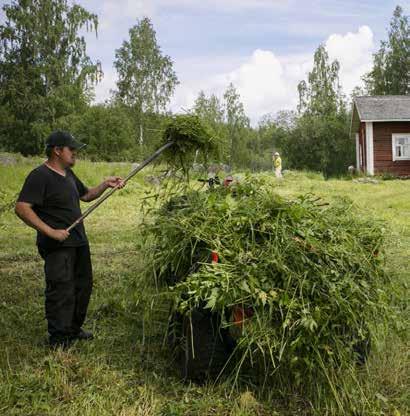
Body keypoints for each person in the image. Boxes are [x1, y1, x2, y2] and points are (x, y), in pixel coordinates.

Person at [15, 131, 125, 348]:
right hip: (58, 245)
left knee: (83, 286)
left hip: (78, 241)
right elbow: (21, 208)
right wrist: (51, 231)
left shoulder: (69, 175)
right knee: (61, 289)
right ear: (57, 150)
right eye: (71, 149)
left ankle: (73, 329)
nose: (75, 153)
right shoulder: (40, 176)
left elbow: (86, 195)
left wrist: (106, 184)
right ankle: (58, 338)